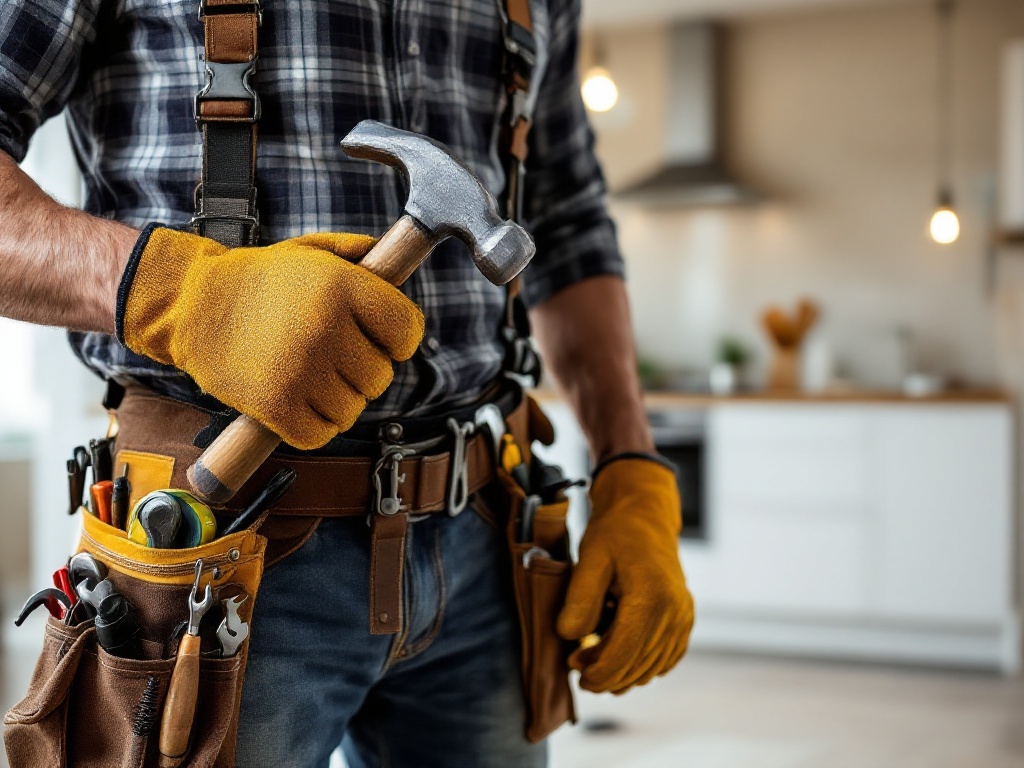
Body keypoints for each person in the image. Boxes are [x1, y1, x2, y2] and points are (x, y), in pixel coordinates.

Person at [0, 0, 694, 765]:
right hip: (214, 536)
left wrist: (633, 469)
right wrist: (181, 295)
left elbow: (567, 225)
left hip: (485, 532)